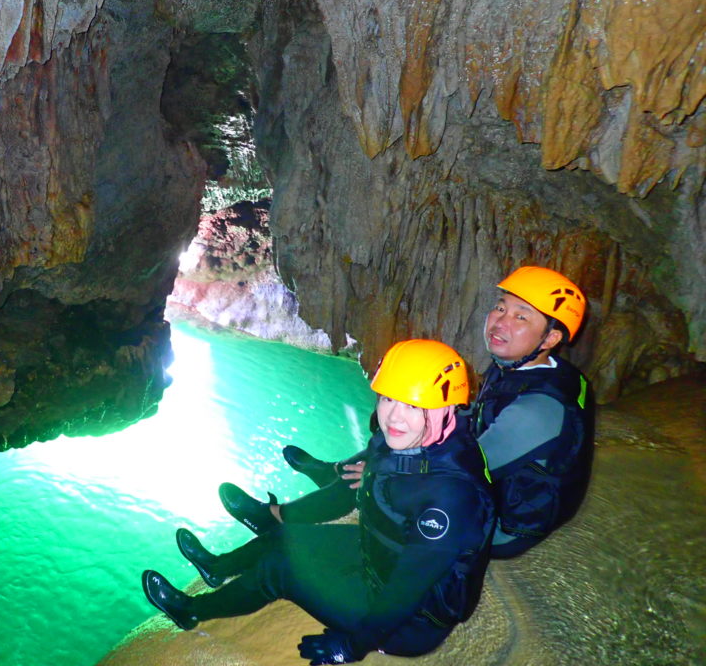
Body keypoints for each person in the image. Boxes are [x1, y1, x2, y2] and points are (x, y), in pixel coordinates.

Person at [142, 340, 495, 664]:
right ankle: (217, 569)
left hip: (410, 619)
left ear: (448, 408)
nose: (394, 416)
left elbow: (403, 595)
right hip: (380, 556)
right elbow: (399, 467)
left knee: (280, 568)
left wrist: (350, 647)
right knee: (286, 534)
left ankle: (190, 610)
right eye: (388, 398)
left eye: (413, 405)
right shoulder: (430, 438)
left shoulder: (450, 500)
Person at [255, 265, 594, 559]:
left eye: (521, 316)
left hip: (508, 525)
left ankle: (280, 517)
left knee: (380, 474)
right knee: (403, 427)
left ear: (550, 337)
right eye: (500, 308)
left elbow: (463, 469)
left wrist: (382, 468)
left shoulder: (537, 410)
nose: (500, 322)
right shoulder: (537, 369)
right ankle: (335, 470)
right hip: (514, 488)